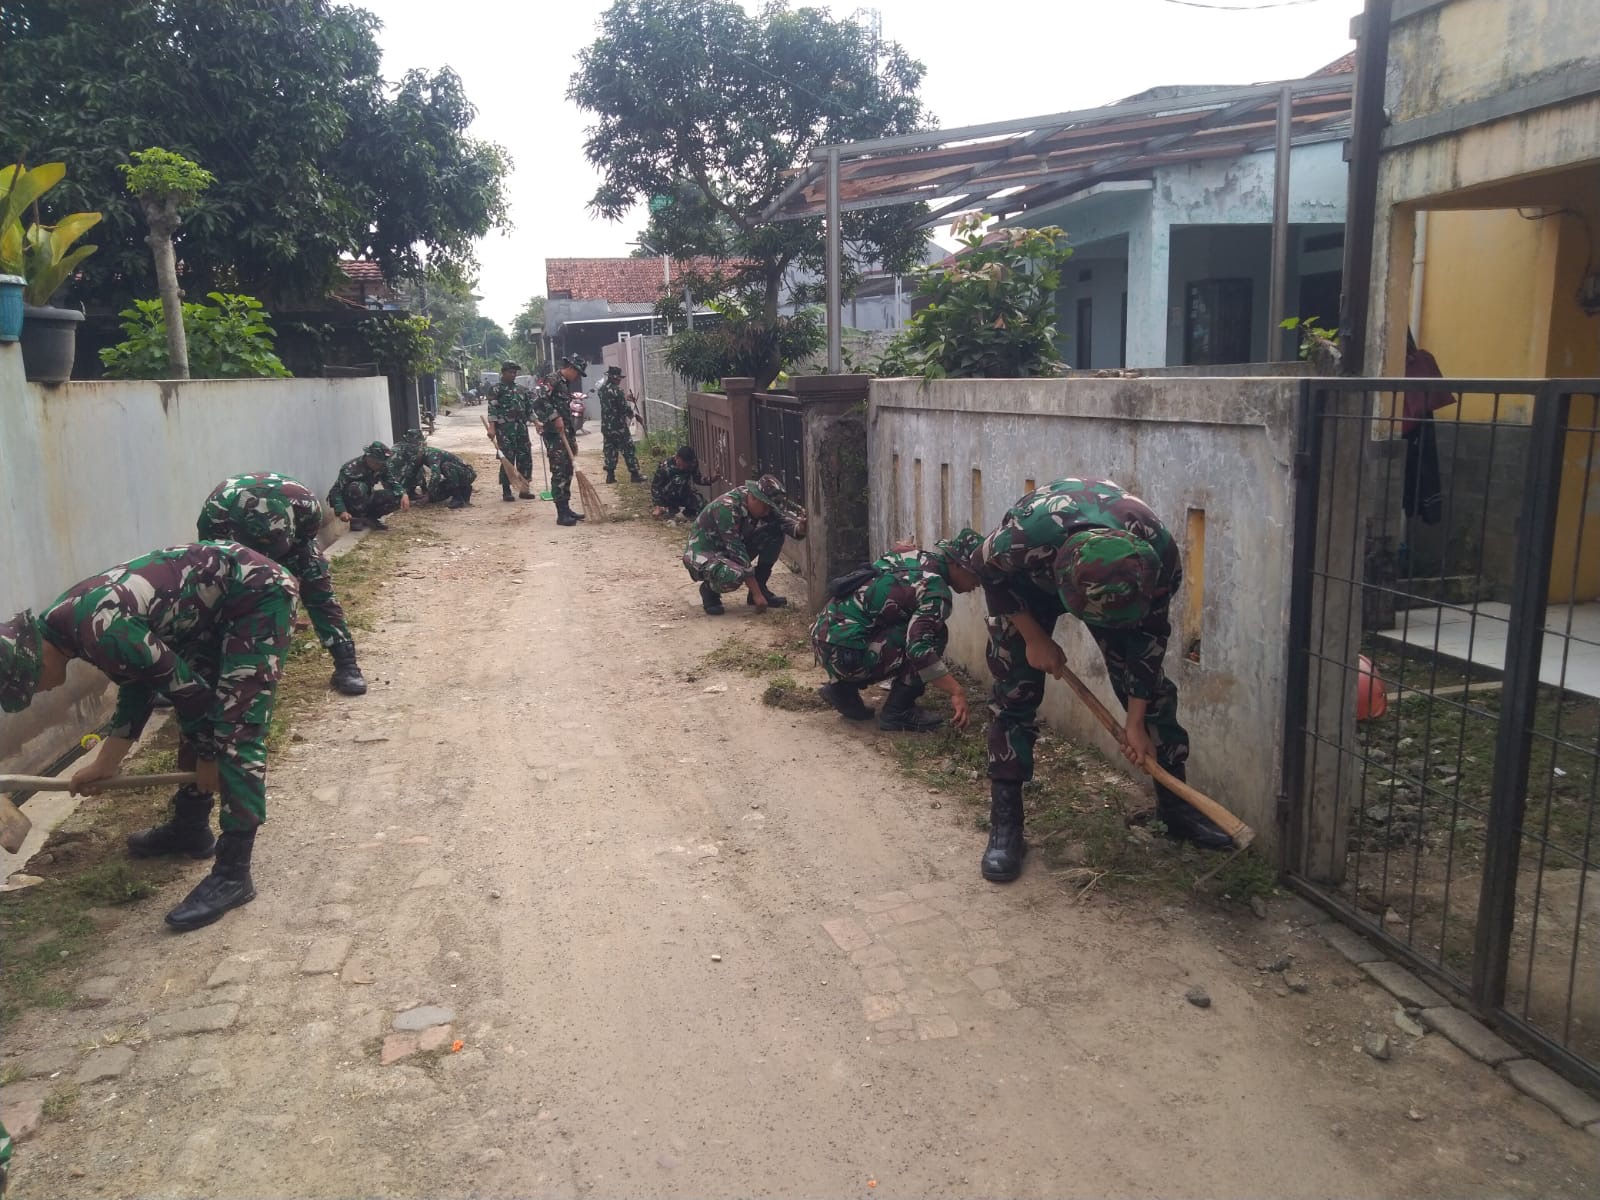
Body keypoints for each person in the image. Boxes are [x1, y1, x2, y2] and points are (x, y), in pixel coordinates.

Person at [0, 543, 300, 931]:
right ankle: (190, 828)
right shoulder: (67, 624)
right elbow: (140, 682)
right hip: (215, 606)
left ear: (34, 660)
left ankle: (233, 874)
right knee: (201, 713)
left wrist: (210, 757)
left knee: (235, 725)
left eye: (29, 687)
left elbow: (189, 692)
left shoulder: (97, 630)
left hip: (258, 595)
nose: (36, 693)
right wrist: (106, 763)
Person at [972, 477, 1232, 884]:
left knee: (1155, 697)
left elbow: (1149, 640)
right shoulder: (1027, 537)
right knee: (1013, 695)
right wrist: (1034, 636)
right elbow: (984, 567)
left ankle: (1176, 809)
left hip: (1114, 587)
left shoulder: (1157, 560)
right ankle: (1006, 825)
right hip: (1026, 587)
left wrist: (1136, 718)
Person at [197, 471, 367, 696]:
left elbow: (305, 542)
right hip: (240, 552)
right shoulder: (216, 516)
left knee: (319, 589)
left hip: (292, 546)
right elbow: (210, 558)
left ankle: (346, 663)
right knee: (214, 598)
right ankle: (197, 672)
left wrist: (292, 578)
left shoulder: (305, 506)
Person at [813, 528, 982, 732]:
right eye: (976, 574)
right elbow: (918, 649)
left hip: (824, 638)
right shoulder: (936, 590)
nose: (978, 584)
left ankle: (842, 690)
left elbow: (890, 559)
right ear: (956, 564)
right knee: (934, 635)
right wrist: (956, 691)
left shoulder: (912, 556)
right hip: (847, 654)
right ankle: (897, 711)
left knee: (902, 625)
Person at [682, 473, 807, 615]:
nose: (767, 512)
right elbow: (737, 552)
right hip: (704, 554)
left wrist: (801, 527)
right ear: (754, 497)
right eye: (765, 507)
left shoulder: (759, 504)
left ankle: (761, 586)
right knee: (734, 575)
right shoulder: (726, 507)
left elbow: (783, 523)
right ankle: (709, 590)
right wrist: (757, 594)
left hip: (727, 550)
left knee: (774, 532)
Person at [533, 355, 586, 526]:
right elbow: (539, 400)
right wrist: (554, 417)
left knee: (568, 470)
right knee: (559, 471)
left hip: (565, 433)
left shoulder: (565, 382)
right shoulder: (553, 379)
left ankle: (566, 507)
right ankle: (561, 513)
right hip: (554, 435)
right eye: (577, 373)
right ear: (571, 368)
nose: (577, 377)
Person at [328, 441, 409, 531]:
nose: (379, 465)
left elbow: (392, 482)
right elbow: (336, 490)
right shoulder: (350, 468)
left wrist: (403, 494)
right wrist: (342, 511)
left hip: (369, 496)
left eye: (381, 463)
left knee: (397, 497)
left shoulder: (382, 466)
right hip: (351, 501)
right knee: (356, 487)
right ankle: (356, 519)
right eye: (377, 462)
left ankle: (371, 518)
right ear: (368, 457)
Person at [487, 361, 536, 502]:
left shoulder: (521, 389)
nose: (513, 375)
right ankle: (507, 490)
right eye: (511, 372)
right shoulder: (496, 389)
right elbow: (492, 409)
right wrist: (492, 428)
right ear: (504, 372)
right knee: (507, 458)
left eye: (515, 372)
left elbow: (529, 409)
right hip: (505, 430)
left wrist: (537, 422)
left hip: (521, 428)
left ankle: (524, 488)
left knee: (525, 457)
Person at [395, 430, 476, 509]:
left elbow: (436, 476)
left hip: (467, 474)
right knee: (436, 495)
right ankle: (464, 490)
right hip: (457, 477)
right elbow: (410, 473)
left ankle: (458, 498)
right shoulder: (419, 458)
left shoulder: (431, 454)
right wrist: (402, 493)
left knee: (446, 466)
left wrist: (428, 494)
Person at [598, 365, 645, 484]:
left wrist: (624, 399)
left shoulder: (602, 390)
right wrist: (635, 415)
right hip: (618, 426)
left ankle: (610, 475)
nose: (620, 380)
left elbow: (612, 403)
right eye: (618, 378)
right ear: (614, 378)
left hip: (606, 426)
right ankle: (635, 474)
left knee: (610, 449)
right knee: (628, 448)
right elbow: (623, 408)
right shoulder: (617, 390)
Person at [650, 445, 718, 519]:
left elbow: (697, 479)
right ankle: (670, 509)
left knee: (702, 504)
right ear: (677, 457)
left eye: (685, 466)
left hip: (684, 493)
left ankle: (686, 513)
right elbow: (655, 486)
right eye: (680, 465)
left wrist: (711, 479)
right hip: (668, 496)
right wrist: (658, 506)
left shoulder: (693, 463)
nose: (682, 468)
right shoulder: (665, 466)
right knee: (678, 480)